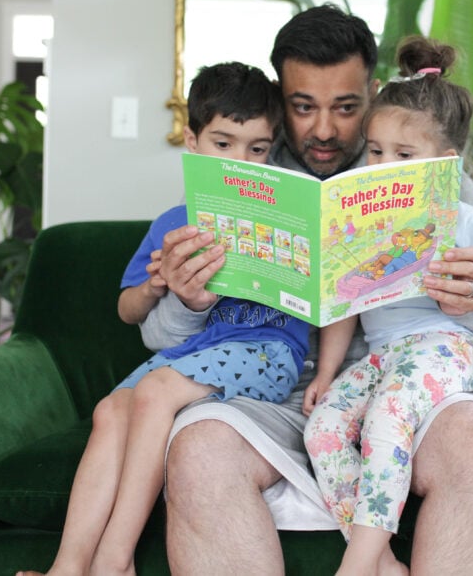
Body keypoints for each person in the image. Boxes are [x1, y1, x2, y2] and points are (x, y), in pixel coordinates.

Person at [144, 4, 473, 574]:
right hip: (272, 399)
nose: (325, 129)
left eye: (346, 107)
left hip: (409, 384)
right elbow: (153, 332)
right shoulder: (241, 166)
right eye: (303, 107)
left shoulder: (426, 168)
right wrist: (187, 303)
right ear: (279, 98)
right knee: (198, 447)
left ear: (374, 91)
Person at [16, 62, 308, 576]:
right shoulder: (175, 223)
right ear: (192, 142)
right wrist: (158, 285)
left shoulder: (287, 214)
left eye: (256, 149)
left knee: (152, 395)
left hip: (268, 351)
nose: (240, 160)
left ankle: (115, 559)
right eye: (223, 144)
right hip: (193, 354)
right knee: (112, 411)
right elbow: (127, 309)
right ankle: (68, 565)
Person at [303, 36, 473, 575]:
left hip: (444, 347)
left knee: (388, 421)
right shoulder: (360, 216)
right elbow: (345, 304)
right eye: (377, 151)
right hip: (383, 355)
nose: (385, 166)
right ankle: (384, 561)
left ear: (445, 163)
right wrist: (330, 372)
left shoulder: (466, 218)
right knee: (323, 429)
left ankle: (356, 565)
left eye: (404, 156)